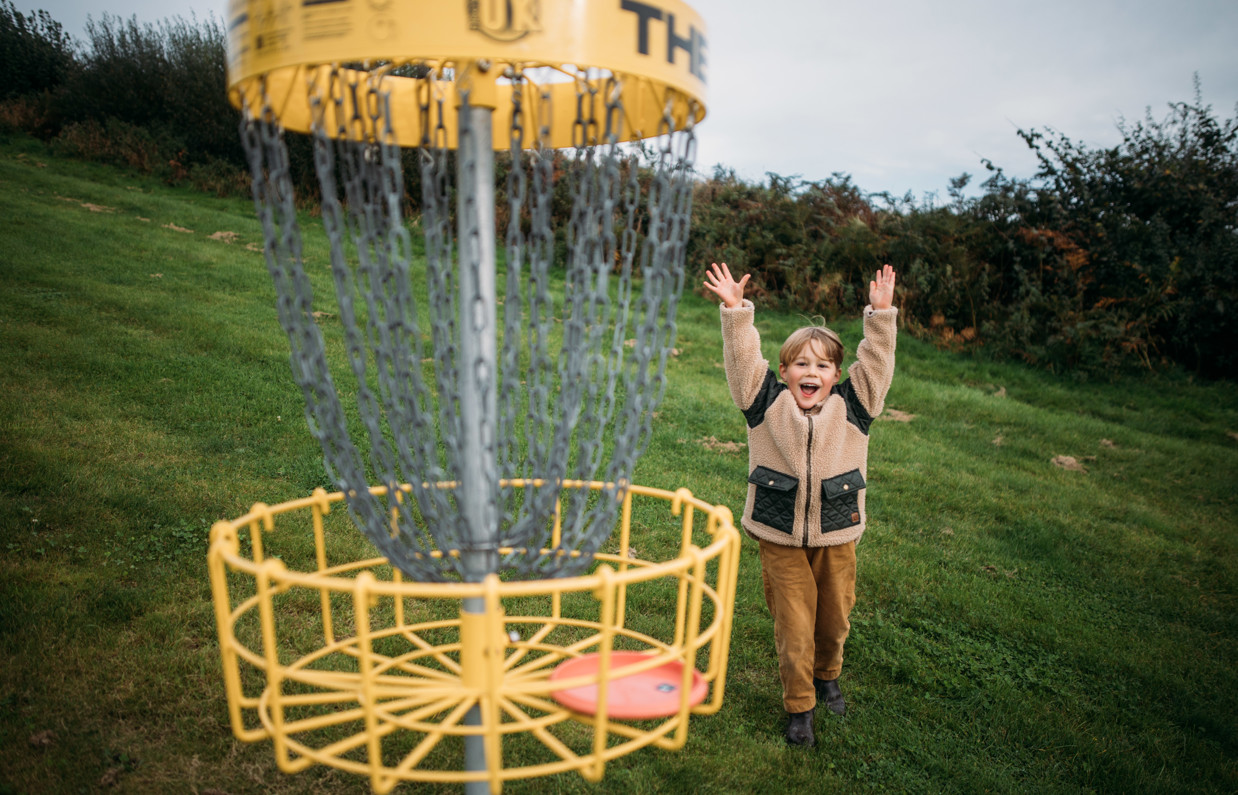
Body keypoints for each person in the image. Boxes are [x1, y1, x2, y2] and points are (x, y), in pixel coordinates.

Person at [703, 261, 897, 747]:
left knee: (833, 619)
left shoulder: (855, 406)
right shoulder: (763, 401)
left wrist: (881, 316)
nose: (811, 372)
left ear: (836, 374)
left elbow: (876, 363)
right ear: (784, 370)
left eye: (823, 365)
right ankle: (800, 709)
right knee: (794, 624)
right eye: (801, 364)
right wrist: (735, 311)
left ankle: (828, 675)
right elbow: (744, 359)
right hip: (779, 535)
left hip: (837, 532)